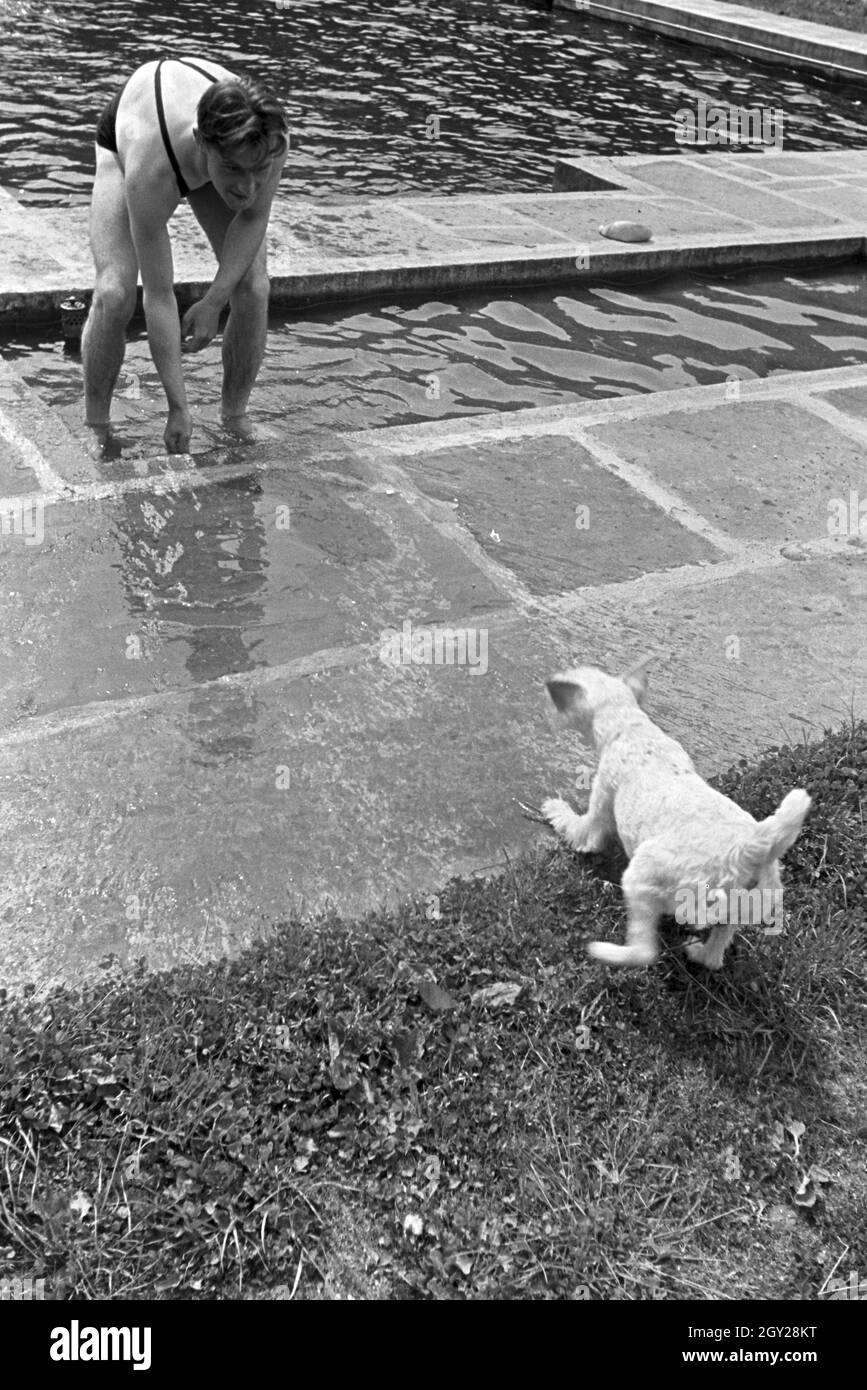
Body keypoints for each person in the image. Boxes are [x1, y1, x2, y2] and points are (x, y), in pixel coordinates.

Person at [83, 57, 288, 454]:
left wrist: (214, 300)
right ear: (201, 143)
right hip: (140, 132)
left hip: (210, 142)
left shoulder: (271, 140)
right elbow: (159, 295)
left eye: (257, 172)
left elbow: (253, 216)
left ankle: (234, 416)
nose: (248, 187)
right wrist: (178, 407)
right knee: (115, 292)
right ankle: (96, 423)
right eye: (233, 171)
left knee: (252, 287)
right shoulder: (150, 168)